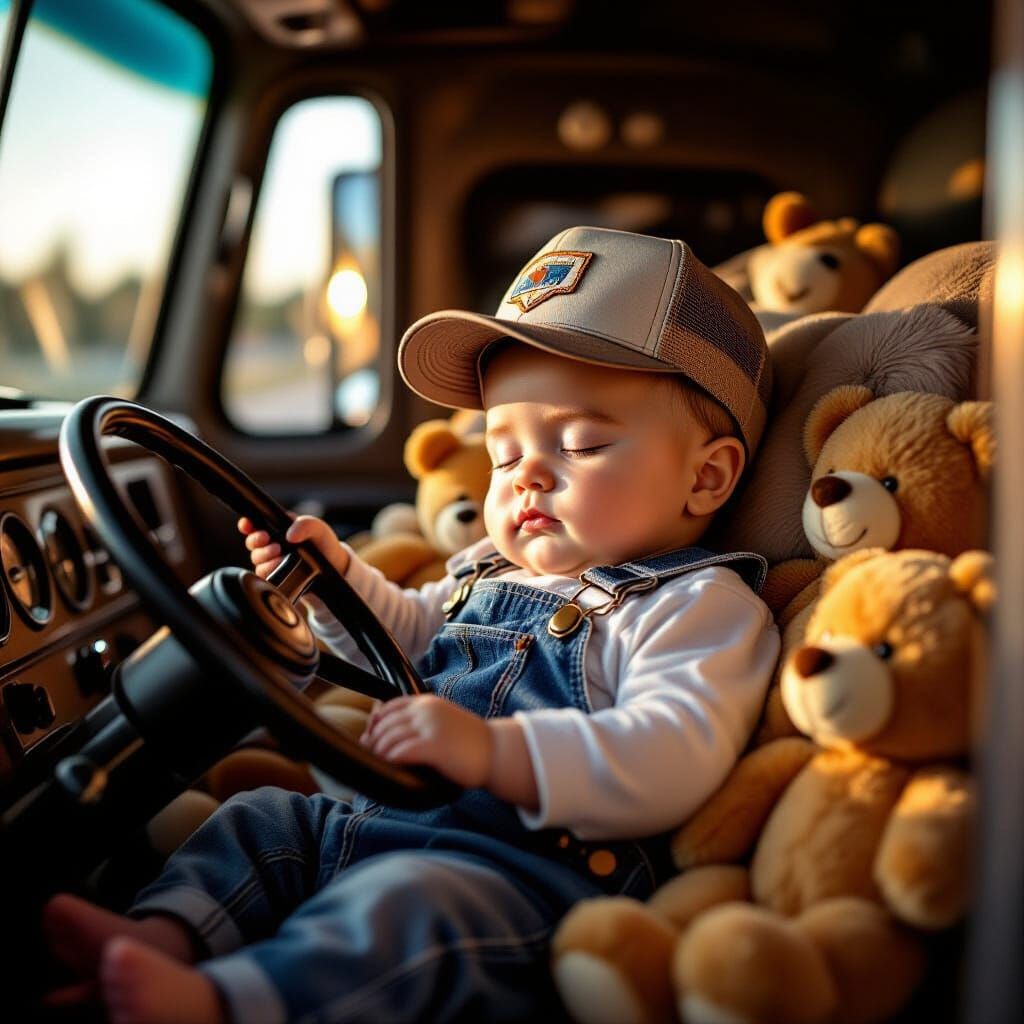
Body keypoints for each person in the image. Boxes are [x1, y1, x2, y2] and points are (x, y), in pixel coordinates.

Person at [42, 226, 780, 1024]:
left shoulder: (695, 605)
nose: (526, 475)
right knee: (261, 820)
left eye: (580, 443)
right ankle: (162, 939)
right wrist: (334, 584)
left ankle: (226, 1004)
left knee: (408, 910)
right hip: (372, 823)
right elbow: (407, 638)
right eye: (502, 454)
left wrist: (495, 753)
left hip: (520, 881)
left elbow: (672, 751)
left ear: (706, 478)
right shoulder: (489, 571)